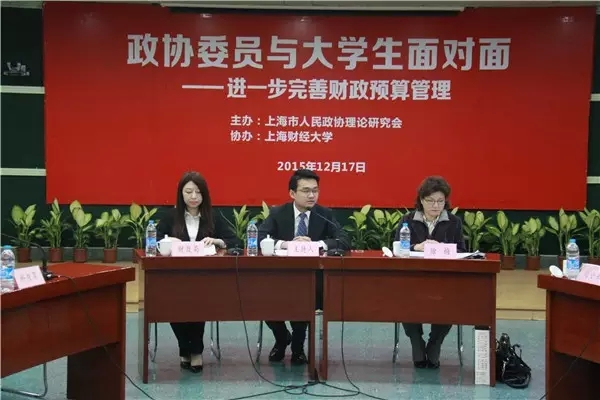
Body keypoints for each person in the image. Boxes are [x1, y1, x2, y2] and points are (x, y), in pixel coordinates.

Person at [258, 169, 349, 365]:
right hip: (280, 276)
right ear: (292, 193)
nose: (311, 195)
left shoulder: (324, 214)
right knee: (261, 297)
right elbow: (259, 237)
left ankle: (298, 347)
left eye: (315, 190)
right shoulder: (278, 213)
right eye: (306, 191)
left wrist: (316, 244)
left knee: (305, 294)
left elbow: (344, 240)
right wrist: (286, 244)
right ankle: (282, 337)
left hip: (312, 277)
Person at [157, 171, 240, 372]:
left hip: (205, 278)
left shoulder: (213, 216)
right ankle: (185, 348)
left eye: (198, 192)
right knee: (173, 303)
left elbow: (236, 241)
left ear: (204, 194)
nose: (193, 196)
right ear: (181, 194)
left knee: (197, 301)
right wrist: (167, 241)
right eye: (188, 192)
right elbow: (152, 241)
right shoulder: (169, 217)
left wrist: (217, 241)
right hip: (175, 278)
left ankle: (195, 351)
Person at [395, 175, 467, 369]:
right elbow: (397, 248)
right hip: (413, 279)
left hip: (444, 280)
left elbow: (462, 251)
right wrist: (416, 247)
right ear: (421, 200)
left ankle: (435, 343)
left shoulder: (454, 222)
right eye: (430, 201)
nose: (436, 206)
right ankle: (416, 342)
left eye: (440, 201)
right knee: (404, 299)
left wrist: (441, 248)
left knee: (450, 303)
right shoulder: (407, 220)